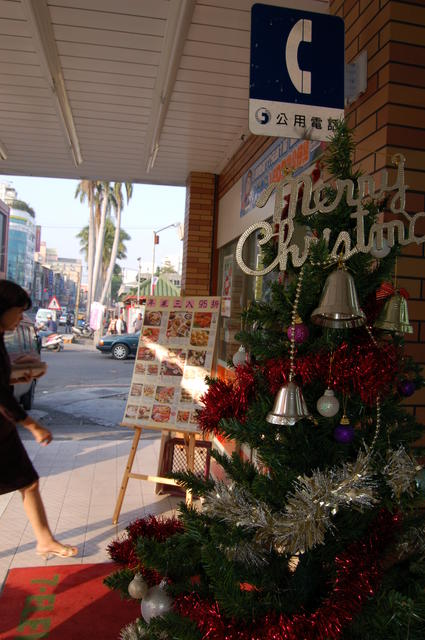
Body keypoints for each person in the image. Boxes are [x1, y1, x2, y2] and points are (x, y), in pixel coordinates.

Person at [0, 280, 77, 559]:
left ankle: (44, 540)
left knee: (28, 481)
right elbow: (2, 398)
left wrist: (19, 373)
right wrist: (34, 426)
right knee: (27, 481)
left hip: (4, 432)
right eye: (18, 311)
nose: (21, 318)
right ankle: (44, 539)